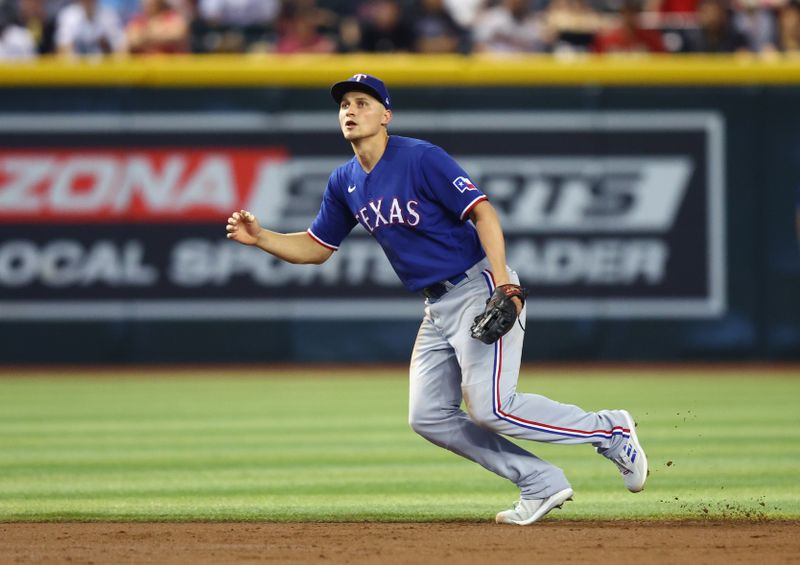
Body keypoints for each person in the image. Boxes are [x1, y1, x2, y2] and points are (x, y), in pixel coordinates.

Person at [224, 74, 649, 525]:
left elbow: (483, 212)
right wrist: (262, 238)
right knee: (428, 415)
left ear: (385, 115)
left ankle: (610, 429)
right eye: (345, 103)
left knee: (493, 407)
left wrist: (504, 284)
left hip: (477, 286)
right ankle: (540, 481)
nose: (350, 110)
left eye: (363, 103)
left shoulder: (421, 158)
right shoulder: (345, 181)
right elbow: (316, 248)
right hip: (437, 305)